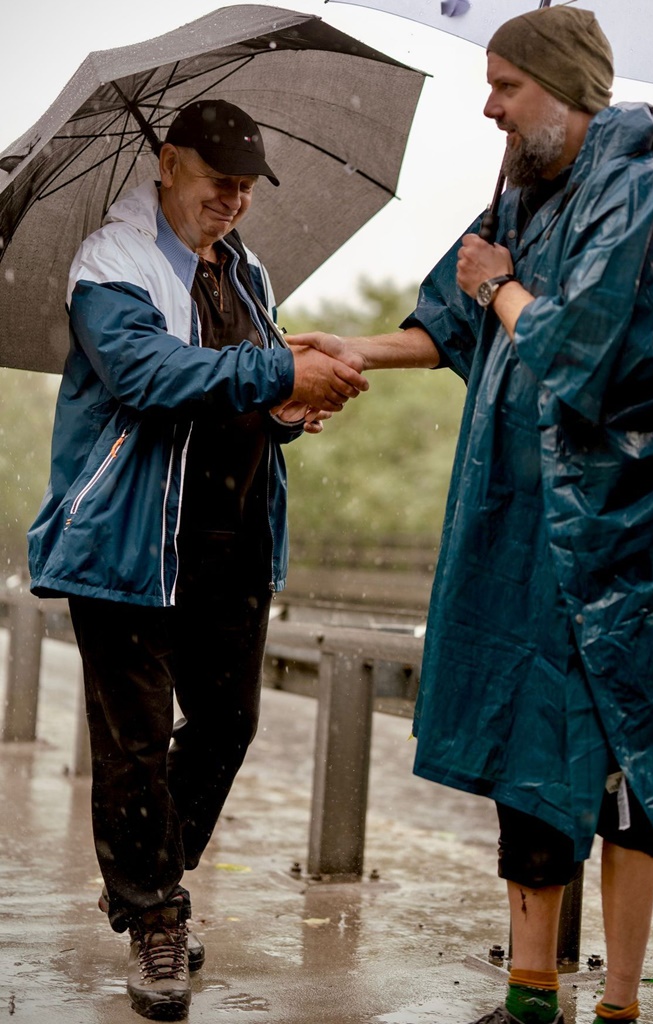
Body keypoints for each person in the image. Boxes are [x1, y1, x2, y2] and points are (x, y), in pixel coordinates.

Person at [290, 7, 653, 1024]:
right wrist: (349, 349)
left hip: (637, 544)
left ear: (565, 91)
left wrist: (502, 287)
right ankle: (530, 997)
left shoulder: (644, 196)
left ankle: (619, 1005)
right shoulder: (522, 198)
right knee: (530, 753)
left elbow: (591, 357)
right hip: (532, 534)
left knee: (631, 768)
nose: (490, 108)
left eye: (507, 86)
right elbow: (448, 323)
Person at [27, 99, 369, 1020]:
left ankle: (146, 885)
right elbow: (148, 376)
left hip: (233, 538)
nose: (235, 201)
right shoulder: (112, 262)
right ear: (169, 162)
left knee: (228, 724)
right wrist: (279, 372)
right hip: (130, 541)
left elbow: (245, 392)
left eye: (248, 187)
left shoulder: (249, 273)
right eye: (221, 181)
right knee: (134, 744)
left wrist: (287, 409)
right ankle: (155, 919)